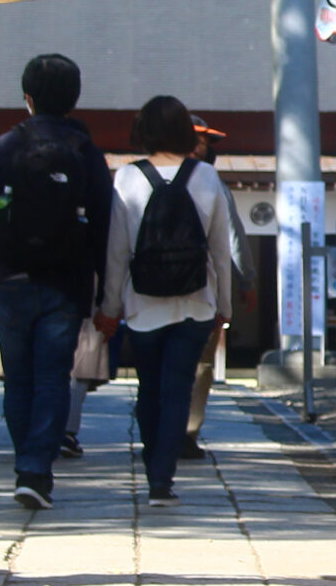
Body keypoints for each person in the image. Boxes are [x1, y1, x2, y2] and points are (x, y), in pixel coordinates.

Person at [0, 54, 111, 511]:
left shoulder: (4, 148)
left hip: (11, 276)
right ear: (75, 99)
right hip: (67, 280)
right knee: (53, 376)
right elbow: (106, 221)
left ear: (26, 97)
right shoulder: (87, 152)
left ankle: (26, 457)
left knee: (18, 377)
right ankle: (35, 470)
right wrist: (107, 287)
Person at [95, 94, 233, 506]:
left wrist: (109, 307)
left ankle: (152, 457)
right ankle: (162, 479)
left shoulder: (126, 179)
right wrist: (224, 306)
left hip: (142, 304)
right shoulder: (207, 179)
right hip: (195, 303)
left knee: (149, 388)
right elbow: (221, 252)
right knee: (178, 389)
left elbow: (117, 252)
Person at [180, 116, 242, 462]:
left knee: (159, 363)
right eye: (203, 142)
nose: (208, 149)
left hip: (148, 292)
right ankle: (186, 432)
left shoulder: (137, 176)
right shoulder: (212, 183)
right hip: (201, 289)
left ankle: (159, 431)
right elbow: (229, 244)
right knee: (200, 365)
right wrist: (237, 289)